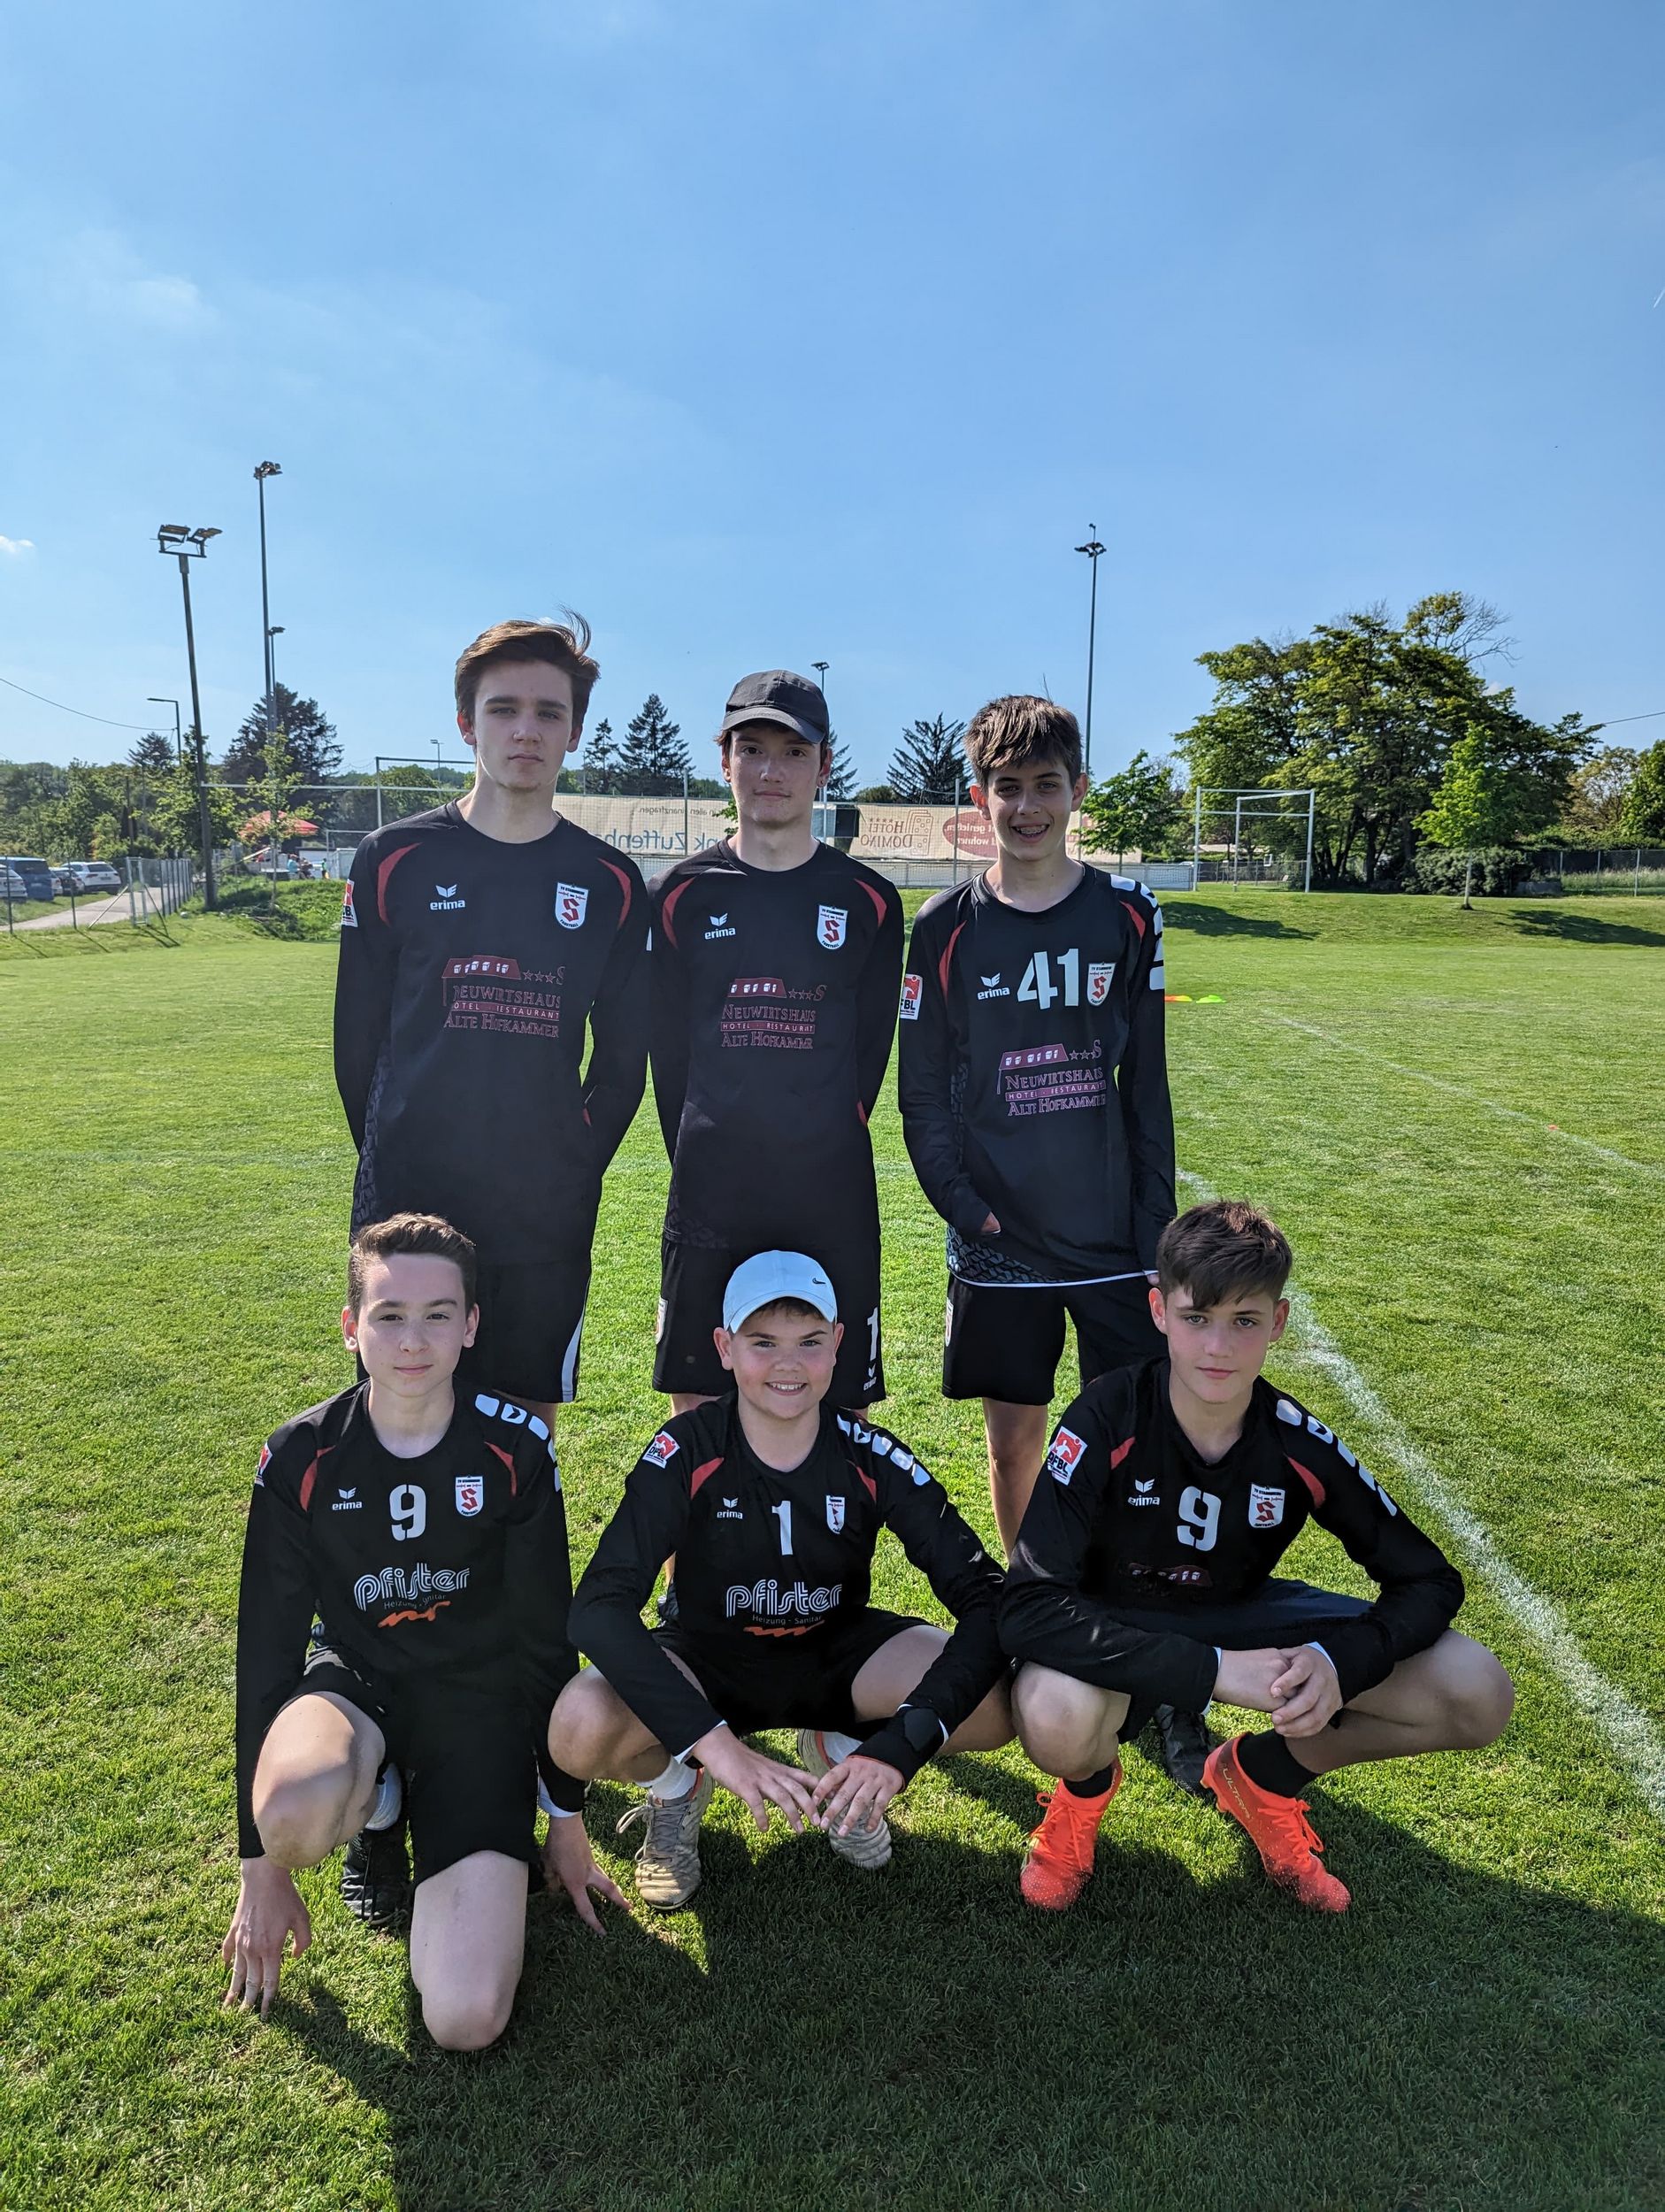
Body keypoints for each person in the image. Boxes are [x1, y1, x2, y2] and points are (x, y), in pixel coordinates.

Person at [1001, 1199, 1514, 1914]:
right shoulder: (1107, 1415)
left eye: (1244, 1321)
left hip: (1238, 1612)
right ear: (1159, 1311)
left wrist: (1339, 1663)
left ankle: (1262, 1777)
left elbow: (1428, 1579)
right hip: (1117, 1622)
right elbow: (1027, 1604)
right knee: (1055, 1713)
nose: (1218, 1347)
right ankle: (1082, 1795)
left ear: (1278, 1322)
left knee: (1476, 1690)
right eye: (1196, 1318)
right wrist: (1214, 1672)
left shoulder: (1296, 1441)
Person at [896, 692, 1208, 1787]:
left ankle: (1168, 1678)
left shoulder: (1127, 915)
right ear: (977, 797)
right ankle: (1041, 1627)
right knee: (1016, 1443)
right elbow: (920, 1092)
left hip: (1115, 1239)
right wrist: (966, 1208)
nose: (1025, 805)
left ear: (1076, 790)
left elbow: (1146, 1082)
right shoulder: (942, 926)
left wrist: (1155, 1227)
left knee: (1141, 1455)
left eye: (1045, 784)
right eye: (1006, 786)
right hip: (1000, 1246)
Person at [222, 1213, 623, 2045]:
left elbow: (545, 1643)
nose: (413, 1340)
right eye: (390, 1315)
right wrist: (260, 1869)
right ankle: (378, 1807)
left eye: (438, 1314)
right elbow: (265, 1655)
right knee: (290, 1813)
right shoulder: (299, 1456)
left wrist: (566, 1821)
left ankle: (435, 1812)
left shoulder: (515, 1451)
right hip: (356, 1688)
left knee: (465, 2018)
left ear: (471, 1325)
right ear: (351, 1327)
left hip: (478, 1707)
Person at [549, 1251, 1011, 1909]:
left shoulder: (871, 1454)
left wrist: (900, 1745)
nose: (788, 1365)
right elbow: (599, 1608)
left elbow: (987, 1598)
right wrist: (715, 1747)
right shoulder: (686, 1449)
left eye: (810, 1342)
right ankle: (679, 1786)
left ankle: (842, 1751)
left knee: (999, 1699)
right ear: (725, 1347)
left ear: (839, 1344)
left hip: (837, 1656)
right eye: (763, 1342)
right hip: (708, 1662)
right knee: (579, 1724)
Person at [334, 614, 648, 1439]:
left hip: (543, 1204)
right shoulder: (393, 858)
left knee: (525, 1423)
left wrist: (573, 1162)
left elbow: (624, 1062)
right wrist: (393, 1153)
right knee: (402, 1411)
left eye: (549, 712)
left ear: (574, 731)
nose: (525, 730)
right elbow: (355, 1045)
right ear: (466, 723)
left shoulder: (611, 882)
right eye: (503, 709)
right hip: (409, 1196)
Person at [648, 670, 903, 1414]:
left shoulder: (868, 900)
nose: (771, 771)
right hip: (711, 1185)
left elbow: (870, 1054)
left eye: (794, 752)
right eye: (752, 749)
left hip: (830, 1187)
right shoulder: (679, 894)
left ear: (824, 766)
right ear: (724, 759)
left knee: (841, 1404)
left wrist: (820, 1128)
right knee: (699, 1402)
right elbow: (668, 1055)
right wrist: (706, 1138)